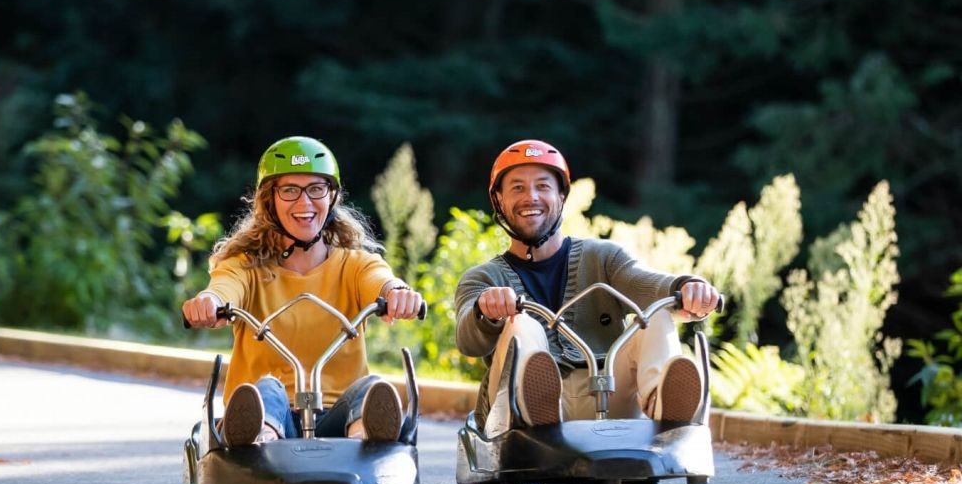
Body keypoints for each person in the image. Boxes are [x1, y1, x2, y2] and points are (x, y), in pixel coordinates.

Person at [455, 139, 721, 437]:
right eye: (517, 188)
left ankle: (669, 412)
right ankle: (537, 410)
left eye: (542, 186)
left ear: (561, 196)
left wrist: (686, 287)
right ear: (499, 201)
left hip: (608, 394)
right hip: (523, 408)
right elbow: (467, 339)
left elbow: (643, 283)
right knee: (521, 324)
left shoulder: (603, 257)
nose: (530, 197)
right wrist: (485, 311)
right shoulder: (482, 278)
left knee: (654, 316)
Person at [182, 136, 423, 445]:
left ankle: (368, 444)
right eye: (290, 190)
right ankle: (258, 440)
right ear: (270, 200)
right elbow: (225, 286)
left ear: (332, 196)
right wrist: (210, 302)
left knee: (370, 387)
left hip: (339, 415)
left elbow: (380, 278)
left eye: (316, 189)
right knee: (268, 389)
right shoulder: (245, 265)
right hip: (272, 409)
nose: (305, 203)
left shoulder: (355, 264)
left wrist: (397, 292)